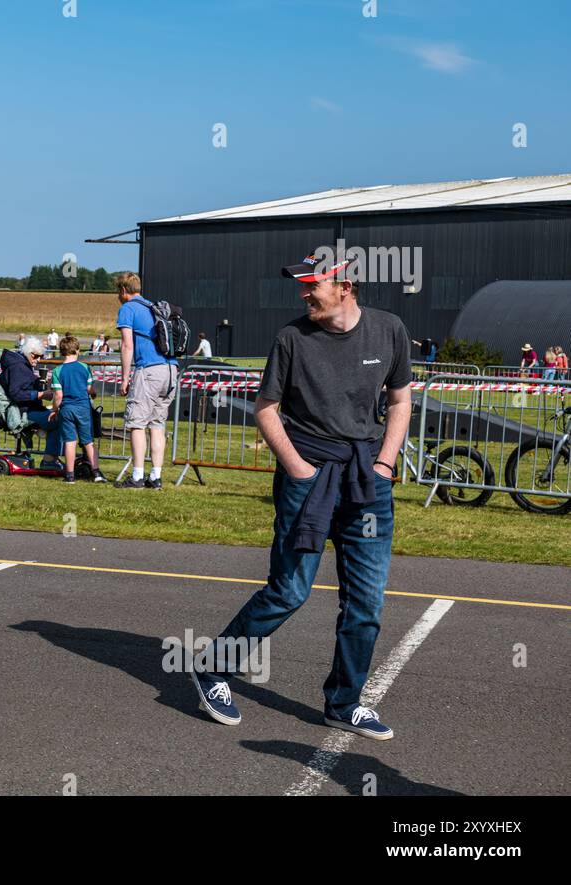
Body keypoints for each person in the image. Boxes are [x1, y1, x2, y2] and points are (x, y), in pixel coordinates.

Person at [189, 249, 411, 741]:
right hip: (309, 480)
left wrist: (384, 464)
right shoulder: (292, 338)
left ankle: (344, 703)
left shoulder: (389, 329)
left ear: (346, 287)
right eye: (303, 286)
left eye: (314, 285)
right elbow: (266, 409)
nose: (305, 293)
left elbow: (400, 399)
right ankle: (212, 668)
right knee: (289, 591)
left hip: (366, 481)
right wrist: (300, 470)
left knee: (366, 604)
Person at [115, 272, 178, 490]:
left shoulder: (128, 309)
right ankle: (156, 476)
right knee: (157, 425)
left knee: (137, 423)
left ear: (123, 290)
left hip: (149, 370)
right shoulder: (154, 307)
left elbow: (127, 345)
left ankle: (137, 476)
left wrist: (124, 378)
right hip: (171, 370)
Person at [0, 336, 64, 469]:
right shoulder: (18, 367)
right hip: (22, 412)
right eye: (37, 356)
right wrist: (40, 394)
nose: (39, 360)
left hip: (26, 409)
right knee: (58, 420)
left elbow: (23, 386)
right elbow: (16, 394)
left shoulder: (21, 365)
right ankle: (49, 460)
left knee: (58, 417)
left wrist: (39, 384)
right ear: (30, 354)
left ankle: (51, 456)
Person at [49, 336, 104, 483]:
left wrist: (54, 410)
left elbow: (58, 395)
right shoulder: (85, 368)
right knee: (88, 441)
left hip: (66, 408)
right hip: (83, 407)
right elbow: (89, 389)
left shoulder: (57, 371)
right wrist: (93, 393)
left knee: (70, 441)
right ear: (78, 350)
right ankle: (97, 473)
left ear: (61, 351)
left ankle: (70, 475)